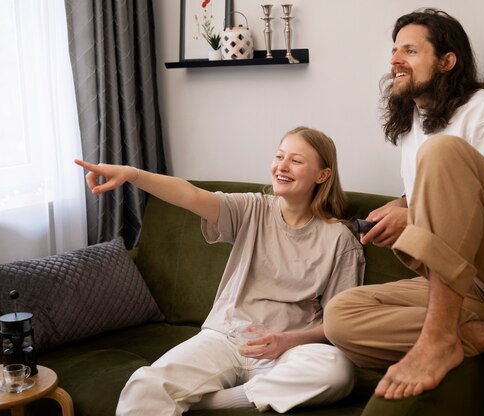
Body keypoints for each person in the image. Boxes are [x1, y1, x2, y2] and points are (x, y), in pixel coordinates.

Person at [323, 8, 484, 408]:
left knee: (444, 151)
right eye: (394, 50)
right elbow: (438, 198)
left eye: (410, 50)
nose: (395, 60)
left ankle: (437, 338)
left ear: (447, 61)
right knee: (340, 316)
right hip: (462, 284)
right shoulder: (415, 124)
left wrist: (411, 215)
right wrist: (399, 208)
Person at [75, 126, 365, 414]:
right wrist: (132, 174)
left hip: (289, 351)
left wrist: (286, 341)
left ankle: (210, 403)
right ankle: (221, 396)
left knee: (337, 371)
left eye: (296, 160)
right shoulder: (252, 208)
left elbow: (339, 324)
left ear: (322, 175)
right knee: (145, 384)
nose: (282, 166)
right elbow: (189, 195)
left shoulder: (339, 240)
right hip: (226, 338)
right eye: (279, 156)